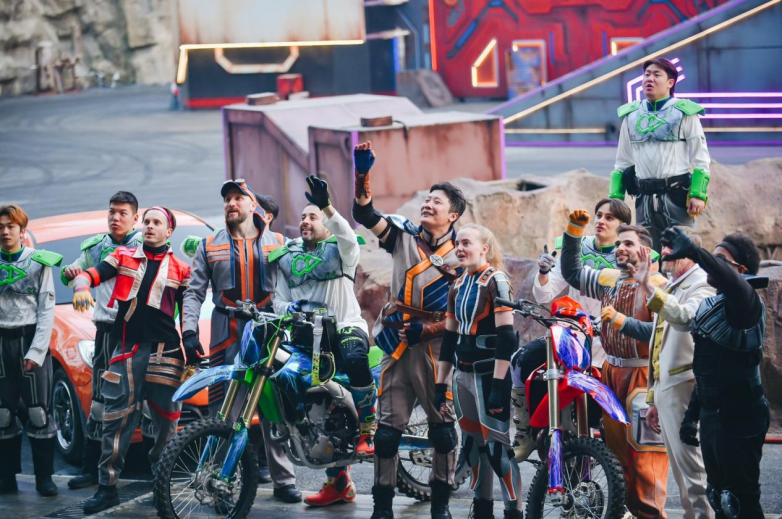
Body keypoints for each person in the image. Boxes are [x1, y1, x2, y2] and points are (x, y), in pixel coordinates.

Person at [353, 141, 464, 519]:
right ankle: (381, 508)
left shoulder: (463, 253)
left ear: (452, 215)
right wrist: (362, 173)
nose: (428, 204)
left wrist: (429, 330)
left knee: (443, 432)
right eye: (427, 199)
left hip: (436, 350)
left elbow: (466, 312)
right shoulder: (401, 236)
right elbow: (365, 213)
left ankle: (441, 506)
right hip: (397, 342)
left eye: (437, 202)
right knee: (386, 434)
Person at [181, 180, 300, 502]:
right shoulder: (208, 245)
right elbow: (193, 292)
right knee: (223, 414)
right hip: (226, 338)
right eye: (227, 199)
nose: (231, 203)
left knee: (274, 409)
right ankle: (221, 484)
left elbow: (296, 284)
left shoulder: (279, 242)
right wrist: (189, 332)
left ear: (252, 205)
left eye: (238, 198)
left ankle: (284, 480)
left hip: (270, 336)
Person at [71, 207, 192, 514]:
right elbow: (91, 274)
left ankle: (161, 486)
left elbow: (189, 311)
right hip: (126, 350)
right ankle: (107, 488)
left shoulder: (182, 269)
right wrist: (82, 286)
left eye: (157, 222)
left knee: (166, 424)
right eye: (147, 221)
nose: (150, 226)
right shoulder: (122, 256)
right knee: (115, 420)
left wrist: (192, 343)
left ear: (169, 231)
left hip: (166, 353)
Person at [270, 175, 377, 507]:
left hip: (345, 327)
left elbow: (347, 235)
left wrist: (327, 207)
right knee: (319, 409)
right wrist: (291, 308)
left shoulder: (343, 251)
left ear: (326, 225)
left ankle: (368, 429)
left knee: (355, 358)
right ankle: (339, 482)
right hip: (307, 338)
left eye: (313, 216)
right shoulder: (287, 258)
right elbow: (278, 300)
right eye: (303, 216)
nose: (306, 220)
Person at [560, 211, 670, 519]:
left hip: (644, 377)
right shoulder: (610, 278)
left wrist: (621, 321)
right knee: (616, 459)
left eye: (628, 244)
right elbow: (572, 272)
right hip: (610, 374)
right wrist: (574, 232)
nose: (620, 247)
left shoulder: (659, 286)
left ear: (645, 251)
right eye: (619, 243)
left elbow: (662, 332)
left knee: (646, 461)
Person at [509, 198, 631, 462]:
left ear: (623, 226)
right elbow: (544, 295)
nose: (601, 220)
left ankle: (612, 458)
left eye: (609, 217)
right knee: (520, 359)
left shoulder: (628, 256)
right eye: (599, 215)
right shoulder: (576, 247)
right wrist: (544, 272)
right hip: (571, 335)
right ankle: (525, 432)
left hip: (609, 343)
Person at [662, 227, 770, 519]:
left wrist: (696, 252)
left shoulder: (746, 302)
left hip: (741, 412)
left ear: (740, 270)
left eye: (721, 260)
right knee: (717, 495)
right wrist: (692, 415)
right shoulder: (711, 305)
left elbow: (735, 285)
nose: (712, 264)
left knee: (739, 500)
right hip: (714, 413)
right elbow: (708, 367)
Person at [614, 226, 716, 519]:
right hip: (667, 389)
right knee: (683, 475)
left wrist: (647, 285)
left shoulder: (701, 283)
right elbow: (658, 344)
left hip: (685, 386)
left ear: (690, 252)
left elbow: (685, 319)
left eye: (672, 247)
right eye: (665, 247)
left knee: (694, 471)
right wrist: (653, 398)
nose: (665, 253)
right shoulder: (673, 285)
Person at [435, 224, 522, 519]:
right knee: (473, 445)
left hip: (489, 376)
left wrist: (498, 386)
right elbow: (449, 338)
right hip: (462, 375)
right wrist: (440, 386)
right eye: (457, 243)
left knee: (497, 449)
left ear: (484, 248)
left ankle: (513, 512)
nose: (460, 248)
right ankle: (482, 510)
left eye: (466, 243)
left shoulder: (496, 280)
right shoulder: (458, 285)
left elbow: (506, 338)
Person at [60, 191, 143, 490]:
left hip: (139, 334)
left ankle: (159, 468)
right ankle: (92, 469)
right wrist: (72, 273)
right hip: (107, 334)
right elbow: (69, 276)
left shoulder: (147, 245)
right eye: (112, 212)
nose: (115, 218)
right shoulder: (95, 247)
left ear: (135, 217)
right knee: (100, 400)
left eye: (122, 213)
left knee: (145, 402)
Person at [608, 57, 711, 250]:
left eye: (657, 75)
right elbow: (622, 161)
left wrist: (698, 193)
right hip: (644, 198)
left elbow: (701, 157)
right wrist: (615, 199)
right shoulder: (631, 115)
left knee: (683, 252)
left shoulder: (685, 112)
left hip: (677, 195)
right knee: (646, 254)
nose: (650, 79)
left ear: (670, 82)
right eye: (647, 74)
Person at [0, 204, 62, 497]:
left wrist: (37, 351)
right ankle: (7, 478)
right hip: (1, 342)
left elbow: (47, 309)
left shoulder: (39, 262)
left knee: (38, 412)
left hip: (30, 340)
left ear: (22, 230)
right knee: (2, 415)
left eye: (10, 226)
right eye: (0, 227)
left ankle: (44, 479)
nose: (5, 231)